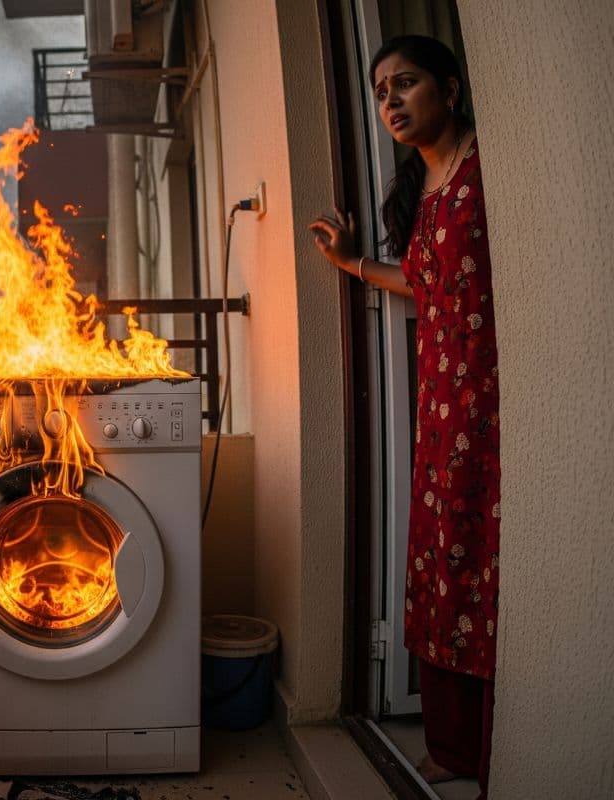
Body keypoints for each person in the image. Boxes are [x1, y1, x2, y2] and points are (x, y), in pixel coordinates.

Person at [307, 35, 500, 799]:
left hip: (496, 400)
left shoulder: (490, 167)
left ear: (450, 90)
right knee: (442, 564)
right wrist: (354, 264)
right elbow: (429, 289)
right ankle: (454, 746)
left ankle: (496, 744)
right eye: (380, 90)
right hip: (443, 407)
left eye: (406, 83)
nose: (388, 101)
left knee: (490, 567)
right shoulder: (418, 188)